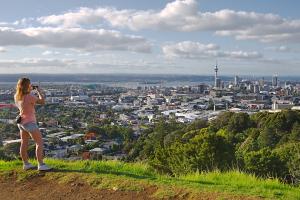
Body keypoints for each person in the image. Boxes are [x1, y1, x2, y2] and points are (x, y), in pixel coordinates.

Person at [14, 77, 52, 171]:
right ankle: (41, 165)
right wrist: (39, 91)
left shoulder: (17, 96)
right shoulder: (29, 96)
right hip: (30, 123)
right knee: (39, 143)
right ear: (28, 85)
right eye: (30, 84)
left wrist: (30, 90)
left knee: (24, 143)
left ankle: (26, 164)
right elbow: (42, 102)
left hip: (21, 122)